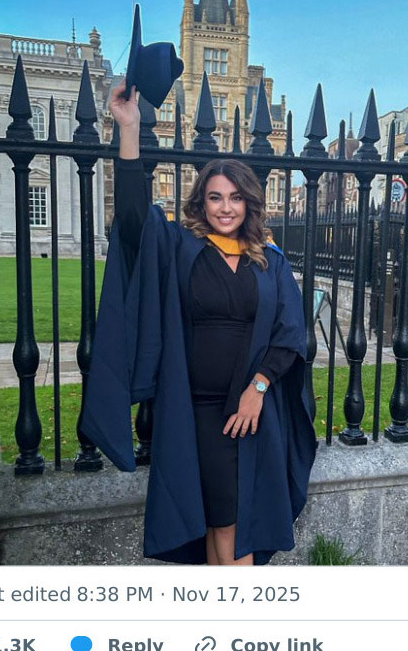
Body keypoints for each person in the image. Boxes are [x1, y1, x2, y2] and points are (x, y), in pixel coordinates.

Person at [81, 82, 317, 565]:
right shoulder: (182, 247)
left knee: (236, 523)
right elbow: (130, 220)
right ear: (201, 203)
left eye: (234, 198)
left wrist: (259, 386)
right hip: (195, 411)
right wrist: (129, 130)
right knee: (219, 520)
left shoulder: (269, 260)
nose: (225, 207)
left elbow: (291, 333)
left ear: (250, 202)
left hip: (249, 407)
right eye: (215, 198)